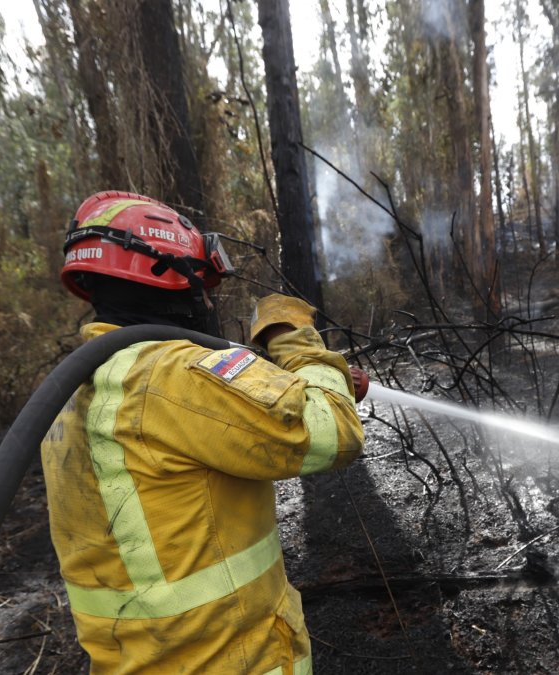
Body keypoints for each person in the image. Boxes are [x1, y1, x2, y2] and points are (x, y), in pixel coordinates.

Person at [41, 191, 364, 674]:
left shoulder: (76, 387)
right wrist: (292, 336)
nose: (208, 300)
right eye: (203, 285)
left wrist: (285, 385)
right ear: (169, 276)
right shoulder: (172, 373)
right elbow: (334, 430)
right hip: (226, 660)